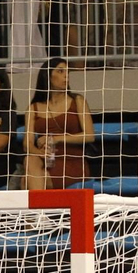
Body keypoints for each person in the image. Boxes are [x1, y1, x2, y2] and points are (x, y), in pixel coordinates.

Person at [23, 57, 94, 190]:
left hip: (72, 161)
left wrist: (56, 139)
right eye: (60, 71)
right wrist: (40, 153)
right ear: (48, 76)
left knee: (25, 182)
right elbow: (27, 144)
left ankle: (40, 210)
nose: (66, 76)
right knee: (30, 159)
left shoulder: (77, 101)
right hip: (47, 161)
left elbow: (89, 135)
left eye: (67, 72)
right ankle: (41, 209)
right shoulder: (33, 108)